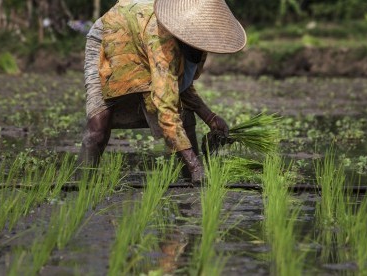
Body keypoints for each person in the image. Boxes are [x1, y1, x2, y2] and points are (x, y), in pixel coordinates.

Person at [76, 0, 246, 184]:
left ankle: (192, 180)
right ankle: (80, 184)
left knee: (185, 116)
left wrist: (210, 117)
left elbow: (179, 83)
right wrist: (196, 166)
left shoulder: (200, 47)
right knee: (99, 126)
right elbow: (166, 109)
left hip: (141, 36)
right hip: (112, 34)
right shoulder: (163, 40)